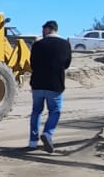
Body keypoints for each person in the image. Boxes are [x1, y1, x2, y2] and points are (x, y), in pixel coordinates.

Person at [28, 20, 72, 152]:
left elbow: (32, 64)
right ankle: (47, 133)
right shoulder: (65, 44)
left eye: (43, 29)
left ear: (48, 29)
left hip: (37, 84)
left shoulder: (37, 44)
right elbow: (67, 64)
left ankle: (32, 142)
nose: (42, 31)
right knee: (54, 111)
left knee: (36, 111)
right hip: (55, 84)